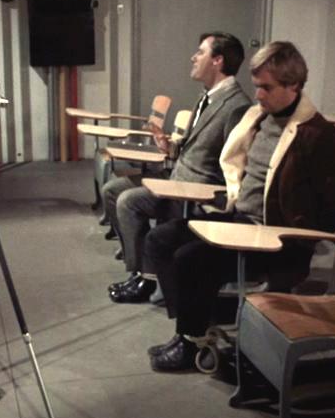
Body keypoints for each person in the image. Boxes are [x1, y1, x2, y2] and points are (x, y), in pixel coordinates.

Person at [143, 41, 335, 371]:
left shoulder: (320, 137)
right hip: (239, 220)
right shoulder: (259, 119)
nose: (257, 95)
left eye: (266, 88)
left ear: (294, 86)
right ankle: (194, 327)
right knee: (161, 239)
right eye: (256, 86)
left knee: (192, 259)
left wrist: (296, 231)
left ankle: (191, 342)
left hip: (278, 241)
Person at [103, 32, 251, 303]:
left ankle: (147, 279)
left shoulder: (237, 106)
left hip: (198, 192)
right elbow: (195, 148)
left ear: (217, 60)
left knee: (128, 201)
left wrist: (206, 193)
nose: (193, 58)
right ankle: (142, 271)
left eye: (200, 52)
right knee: (113, 190)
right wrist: (169, 146)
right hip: (175, 178)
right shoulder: (206, 97)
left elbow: (233, 165)